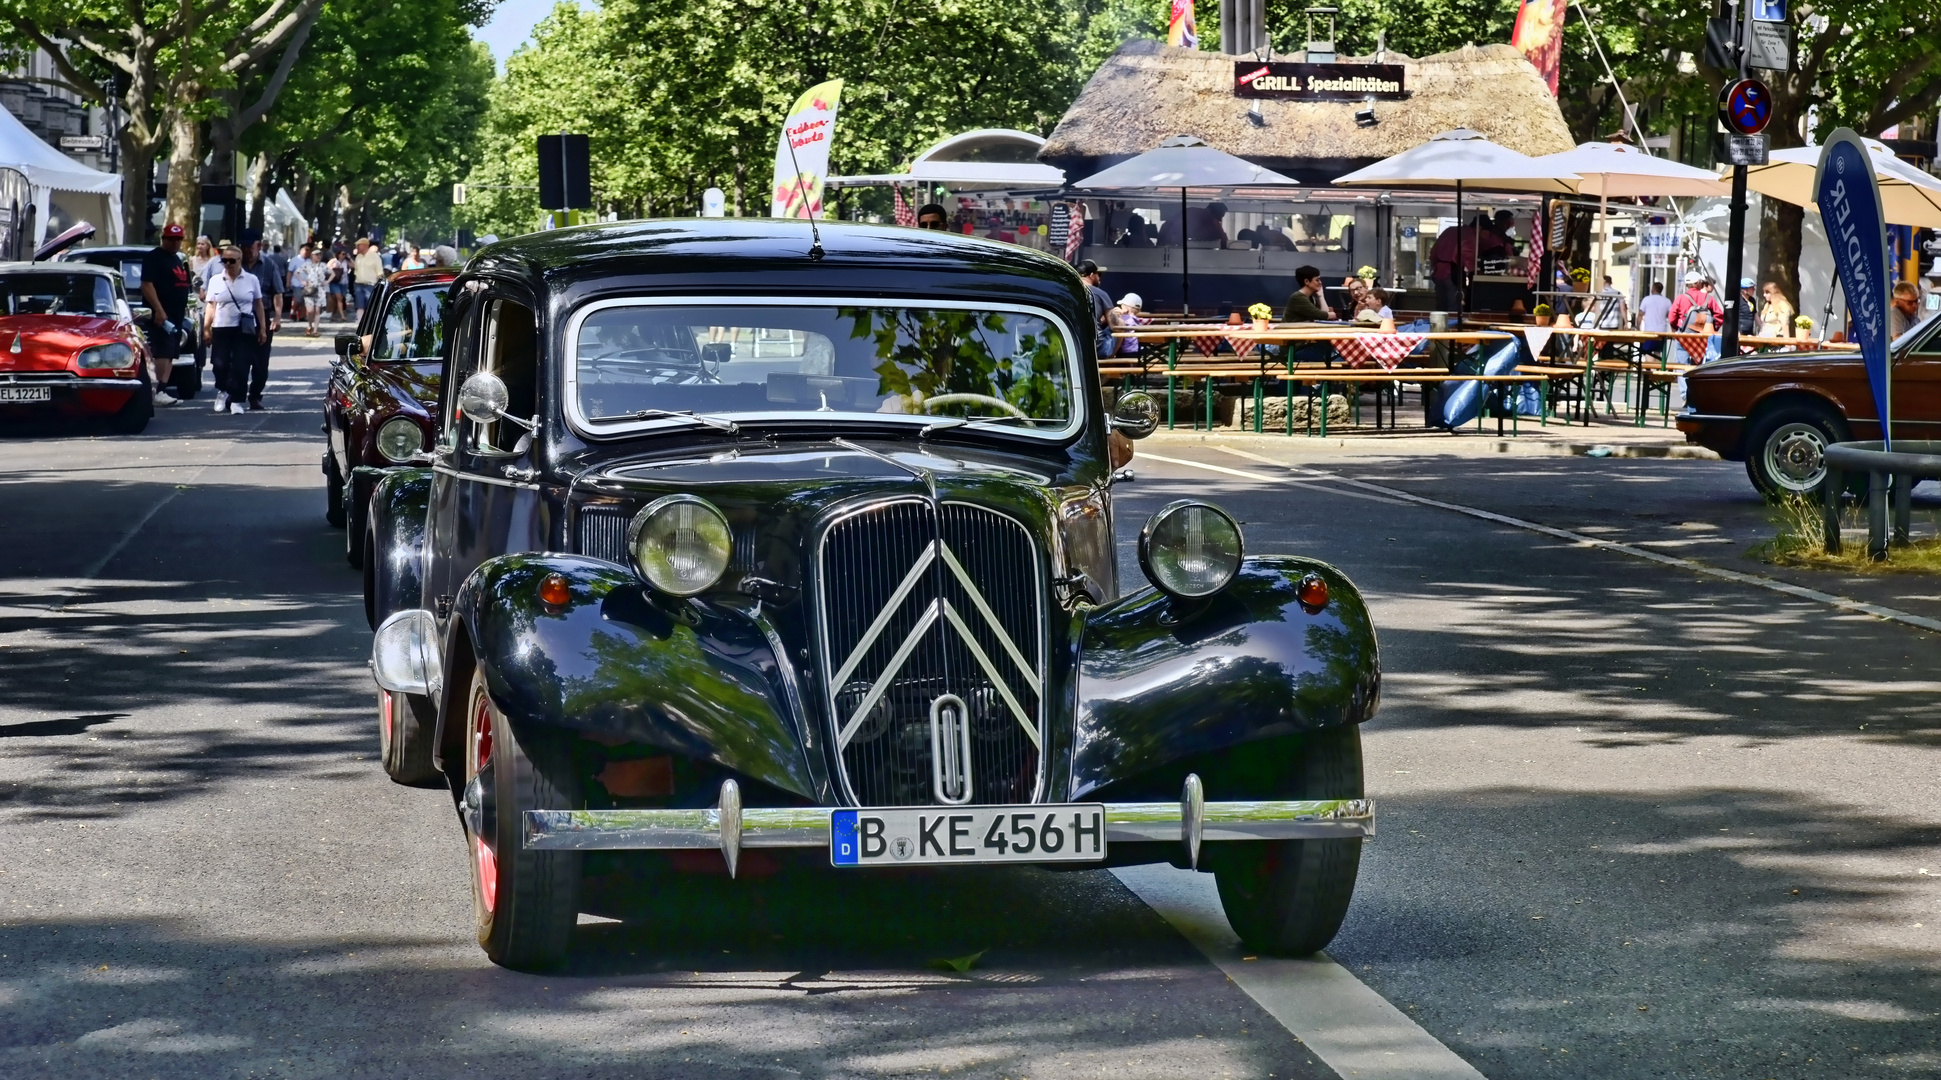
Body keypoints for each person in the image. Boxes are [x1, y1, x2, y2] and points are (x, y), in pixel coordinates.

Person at [203, 245, 265, 415]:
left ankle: (237, 400)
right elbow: (211, 306)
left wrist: (263, 328)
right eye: (224, 260)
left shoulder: (251, 279)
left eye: (232, 261)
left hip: (243, 328)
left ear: (240, 261)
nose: (228, 264)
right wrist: (206, 329)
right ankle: (223, 390)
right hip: (221, 326)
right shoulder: (216, 280)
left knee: (241, 365)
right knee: (219, 363)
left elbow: (258, 304)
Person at [139, 223, 192, 407]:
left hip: (176, 316)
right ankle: (157, 390)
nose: (176, 243)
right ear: (164, 239)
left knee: (170, 352)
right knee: (162, 351)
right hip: (162, 316)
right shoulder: (154, 258)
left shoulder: (177, 259)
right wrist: (159, 310)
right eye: (172, 239)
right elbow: (147, 284)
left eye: (179, 239)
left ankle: (163, 389)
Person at [238, 229, 284, 411]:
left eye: (250, 247)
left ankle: (255, 395)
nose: (247, 251)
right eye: (244, 247)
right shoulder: (235, 263)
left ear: (258, 246)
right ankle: (235, 394)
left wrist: (278, 317)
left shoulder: (269, 265)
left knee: (260, 362)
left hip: (261, 315)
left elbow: (277, 294)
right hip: (238, 315)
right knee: (238, 360)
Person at [1077, 259, 1113, 358]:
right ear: (1092, 275)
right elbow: (1115, 325)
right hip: (1095, 348)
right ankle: (1109, 359)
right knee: (1121, 324)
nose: (1100, 278)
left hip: (1073, 345)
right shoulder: (1100, 293)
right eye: (1099, 274)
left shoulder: (1067, 292)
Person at [1156, 202, 1228, 248]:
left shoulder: (1190, 211)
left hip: (1167, 246)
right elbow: (1224, 239)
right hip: (1172, 247)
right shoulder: (1211, 220)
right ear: (1214, 213)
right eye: (1220, 216)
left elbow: (1167, 225)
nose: (1220, 220)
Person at [1637, 279, 1673, 360]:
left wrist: (1638, 326)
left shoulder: (1646, 299)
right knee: (1658, 352)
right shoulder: (1667, 301)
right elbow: (1671, 316)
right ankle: (1657, 369)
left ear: (1653, 289)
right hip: (1661, 331)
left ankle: (1649, 370)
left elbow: (1640, 314)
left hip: (1649, 331)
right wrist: (1673, 329)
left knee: (1648, 351)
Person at [298, 244, 328, 335]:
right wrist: (302, 281)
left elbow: (333, 273)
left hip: (320, 290)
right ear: (312, 256)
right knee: (310, 310)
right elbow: (297, 272)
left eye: (320, 255)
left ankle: (315, 330)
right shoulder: (307, 264)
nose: (318, 256)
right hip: (310, 289)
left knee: (317, 310)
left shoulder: (323, 265)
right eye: (316, 255)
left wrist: (327, 282)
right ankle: (309, 325)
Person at [352, 237, 384, 320]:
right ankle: (360, 323)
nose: (357, 247)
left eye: (359, 245)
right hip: (358, 284)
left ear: (365, 246)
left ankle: (370, 323)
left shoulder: (375, 257)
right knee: (359, 305)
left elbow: (379, 272)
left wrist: (379, 285)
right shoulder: (358, 257)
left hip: (370, 285)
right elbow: (356, 270)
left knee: (371, 305)